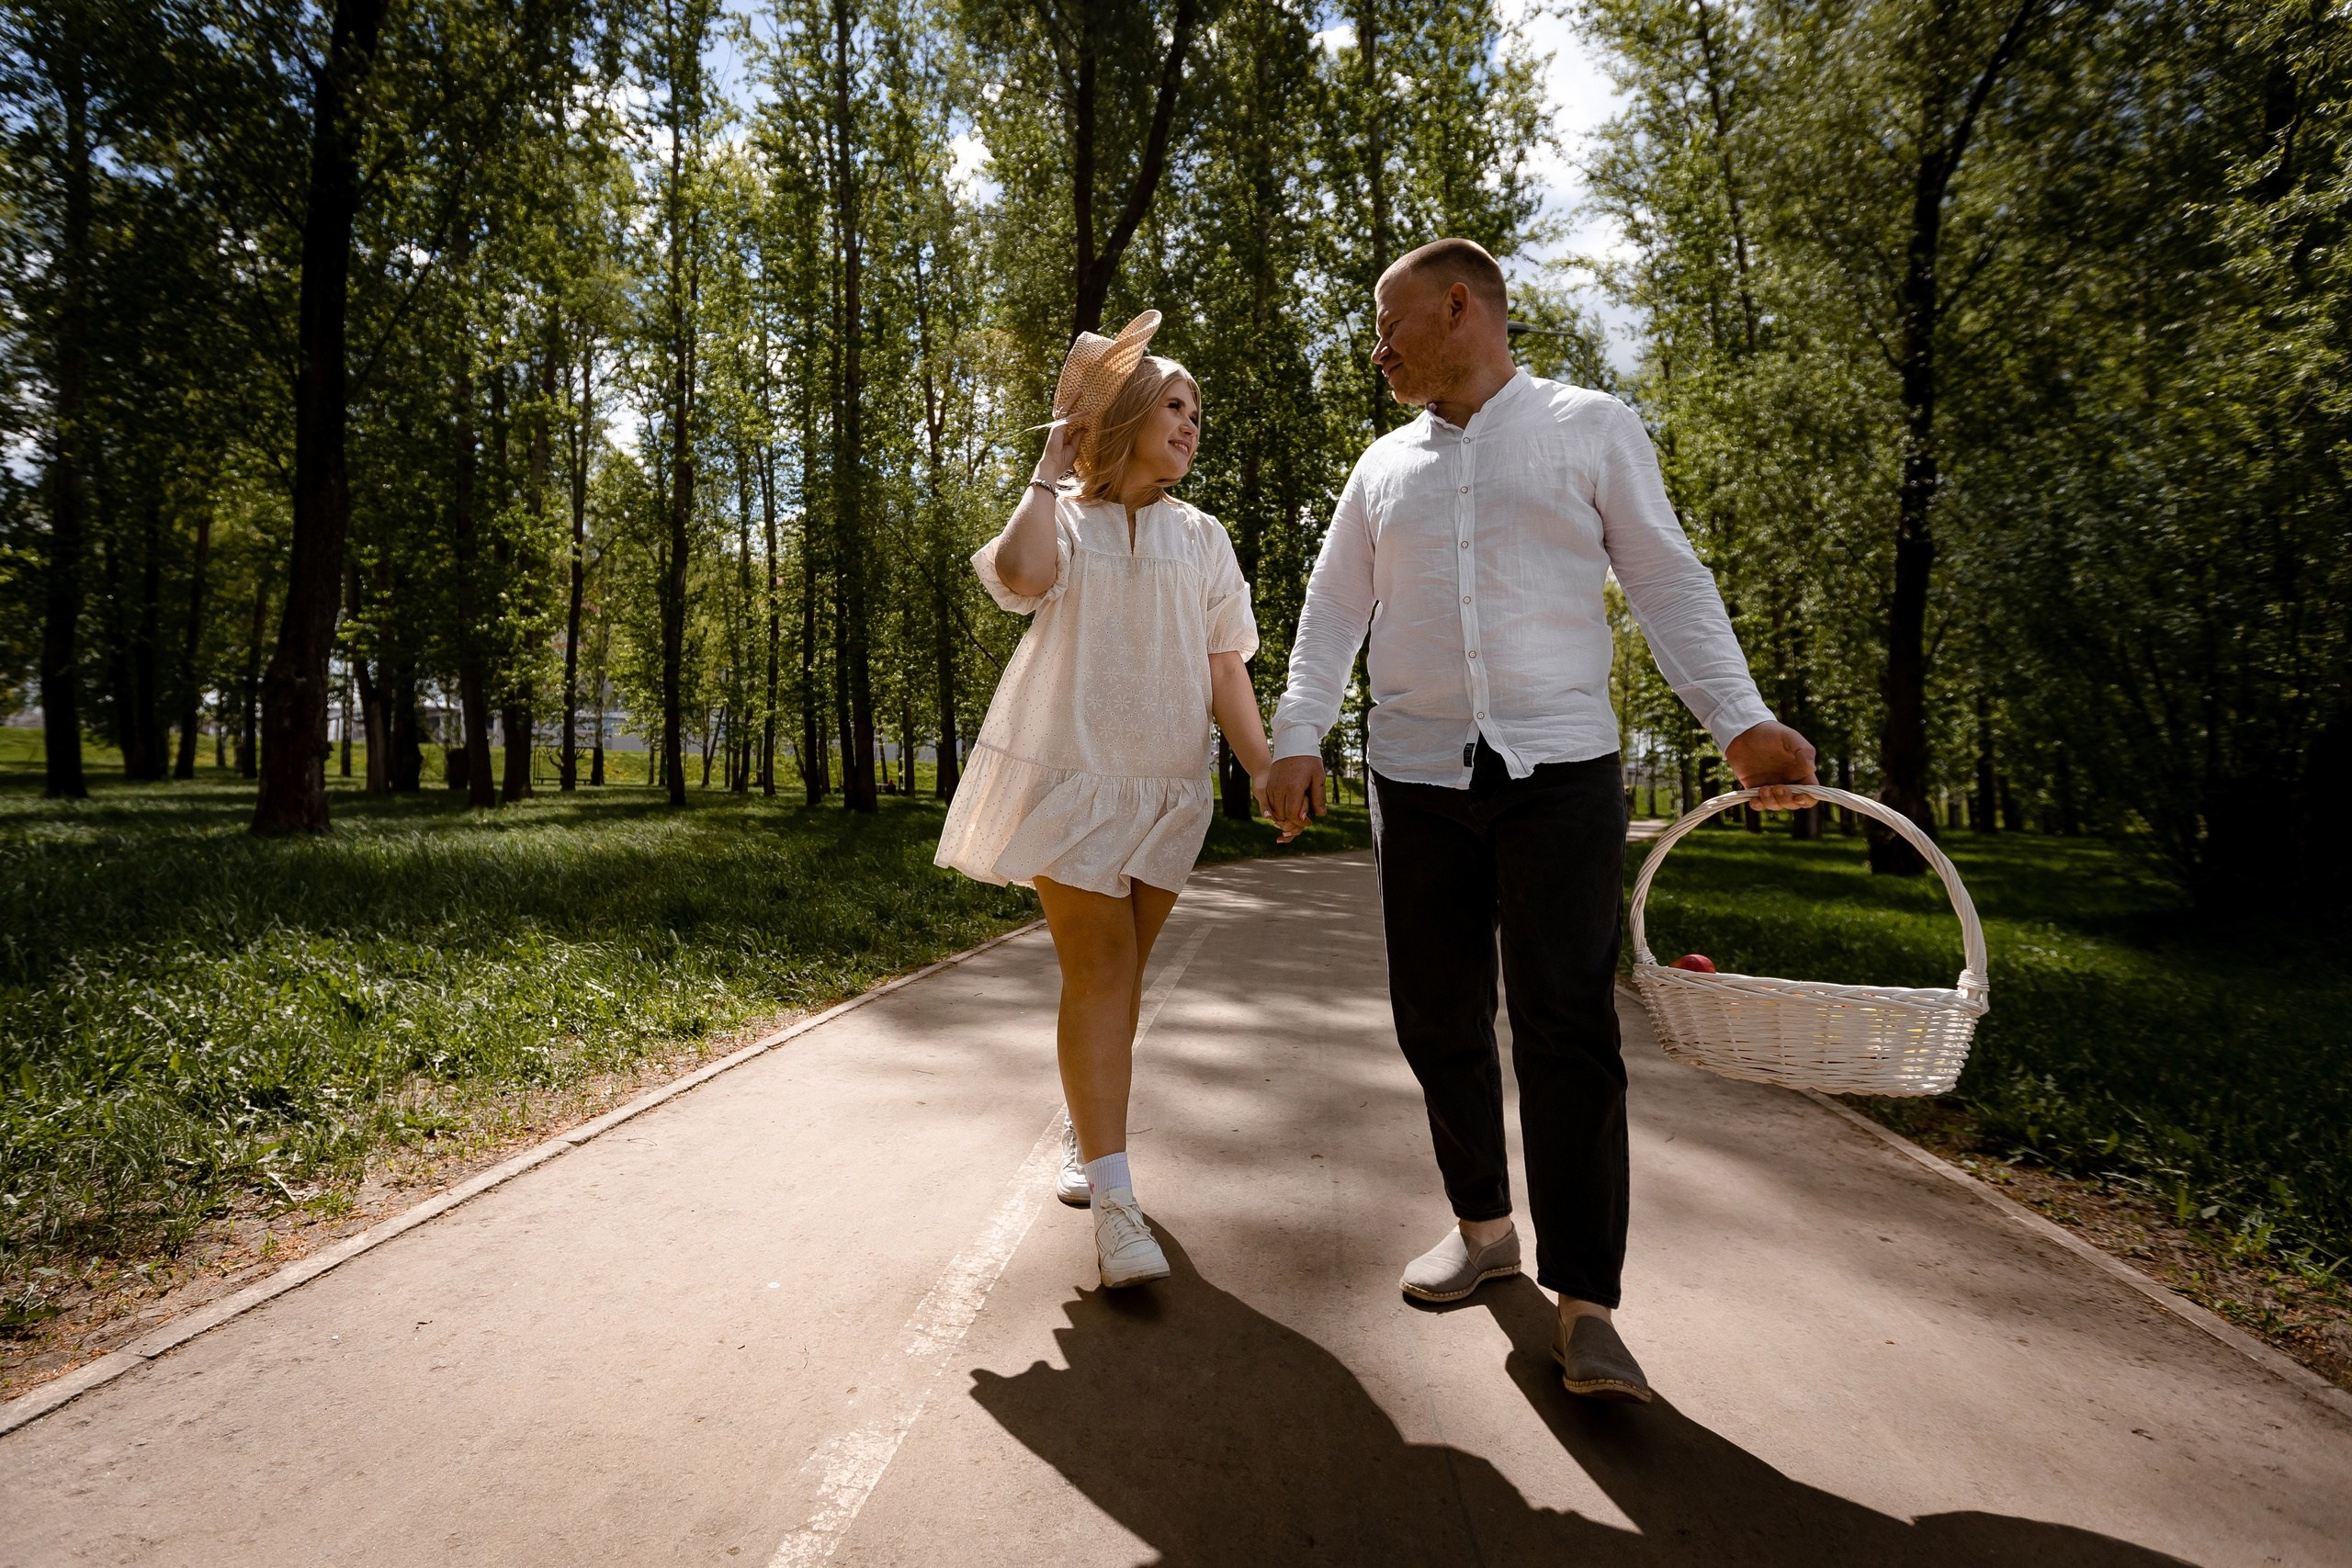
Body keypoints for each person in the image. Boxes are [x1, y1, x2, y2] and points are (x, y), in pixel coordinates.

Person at [1264, 240, 1818, 1402]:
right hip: (1416, 779)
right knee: (1438, 1019)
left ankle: (1586, 1307)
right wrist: (1299, 732)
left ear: (1457, 307)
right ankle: (1482, 1232)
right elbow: (1330, 611)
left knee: (1567, 1029)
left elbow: (1665, 578)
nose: (1378, 352)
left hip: (1562, 774)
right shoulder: (1381, 467)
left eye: (1389, 326)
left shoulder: (1588, 426)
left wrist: (1739, 719)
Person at [937, 310, 1289, 1288]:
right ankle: (1117, 1206)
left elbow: (1225, 668)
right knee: (1098, 970)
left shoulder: (1204, 538)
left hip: (1169, 790)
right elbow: (1019, 575)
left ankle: (1086, 1134)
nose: (1190, 426)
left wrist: (1263, 769)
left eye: (1197, 414)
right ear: (1129, 413)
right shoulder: (1064, 522)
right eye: (1174, 406)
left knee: (1118, 981)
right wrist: (1048, 468)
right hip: (1071, 779)